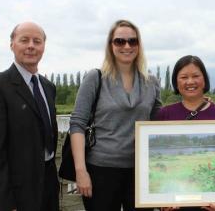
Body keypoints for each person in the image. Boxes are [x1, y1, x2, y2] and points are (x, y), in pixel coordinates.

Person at [69, 19, 161, 211]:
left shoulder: (151, 82)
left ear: (139, 45)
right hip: (100, 171)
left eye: (132, 41)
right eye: (120, 41)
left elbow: (160, 121)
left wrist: (196, 103)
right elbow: (77, 123)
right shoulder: (95, 78)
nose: (126, 46)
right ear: (111, 45)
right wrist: (81, 171)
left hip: (141, 173)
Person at [0, 22, 59, 211]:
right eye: (24, 40)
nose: (31, 46)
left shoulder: (48, 87)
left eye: (37, 41)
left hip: (49, 186)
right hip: (17, 194)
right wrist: (4, 203)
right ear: (12, 45)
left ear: (43, 47)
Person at [155, 55, 215, 211]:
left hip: (212, 206)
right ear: (176, 82)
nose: (190, 81)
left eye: (196, 76)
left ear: (204, 79)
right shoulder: (165, 114)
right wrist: (161, 201)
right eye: (184, 77)